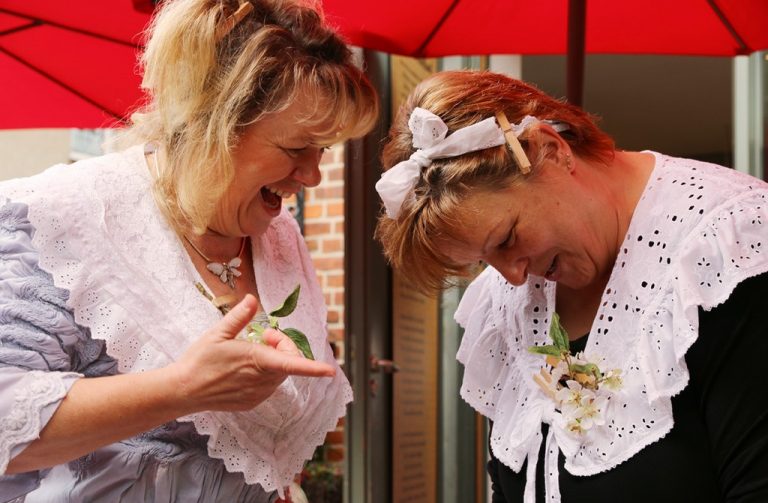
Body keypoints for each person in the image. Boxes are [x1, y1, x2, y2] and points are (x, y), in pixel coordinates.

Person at [0, 0, 377, 501]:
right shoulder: (62, 219)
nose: (312, 176)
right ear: (211, 122)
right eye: (295, 149)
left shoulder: (279, 234)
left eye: (323, 150)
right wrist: (182, 387)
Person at [375, 70, 768, 502]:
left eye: (506, 239)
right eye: (484, 260)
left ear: (551, 149)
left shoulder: (730, 250)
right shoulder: (507, 303)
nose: (513, 276)